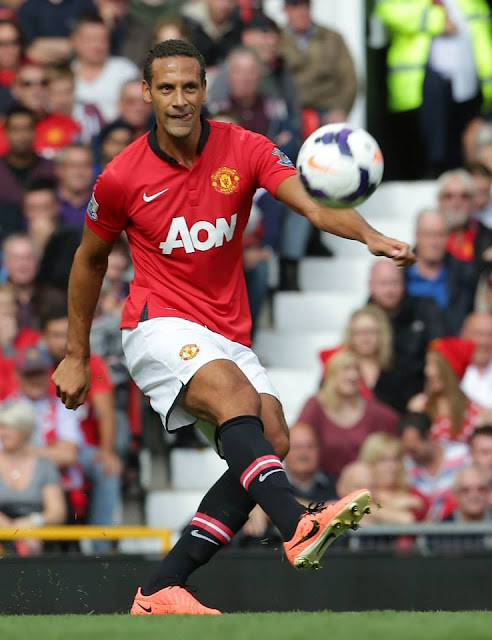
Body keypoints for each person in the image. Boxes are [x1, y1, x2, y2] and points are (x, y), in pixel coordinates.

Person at [51, 39, 414, 615]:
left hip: (225, 329)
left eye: (190, 87)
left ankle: (161, 588)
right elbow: (88, 260)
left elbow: (315, 205)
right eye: (166, 88)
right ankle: (298, 522)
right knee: (237, 398)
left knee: (271, 437)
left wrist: (370, 235)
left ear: (205, 90)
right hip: (155, 323)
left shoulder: (244, 148)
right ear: (147, 92)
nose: (179, 99)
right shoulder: (121, 177)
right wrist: (75, 353)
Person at [374, 0, 492, 177]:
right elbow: (386, 11)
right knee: (427, 156)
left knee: (461, 155)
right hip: (419, 89)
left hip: (469, 90)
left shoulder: (473, 3)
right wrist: (436, 21)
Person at [42, 306, 122, 551]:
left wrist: (107, 450)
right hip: (39, 447)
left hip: (82, 449)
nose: (60, 341)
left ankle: (100, 550)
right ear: (44, 338)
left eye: (64, 334)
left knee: (107, 469)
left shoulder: (91, 364)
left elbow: (106, 411)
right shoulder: (32, 365)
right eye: (54, 335)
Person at [295, 349, 398, 480]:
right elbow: (297, 439)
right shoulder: (315, 405)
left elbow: (394, 426)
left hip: (363, 486)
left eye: (356, 370)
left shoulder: (373, 409)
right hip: (322, 484)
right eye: (345, 369)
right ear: (332, 374)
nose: (352, 376)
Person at [368, 259, 446, 401]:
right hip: (377, 401)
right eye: (383, 283)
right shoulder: (363, 321)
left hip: (420, 398)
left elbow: (440, 354)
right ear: (370, 286)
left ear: (404, 284)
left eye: (395, 283)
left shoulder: (425, 309)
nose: (390, 290)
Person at [280, 0, 357, 135]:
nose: (301, 12)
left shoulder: (332, 38)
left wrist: (340, 110)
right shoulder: (277, 39)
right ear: (285, 9)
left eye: (305, 6)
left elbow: (349, 79)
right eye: (295, 6)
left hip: (326, 112)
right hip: (289, 114)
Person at [0, 399, 66, 555]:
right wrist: (8, 527)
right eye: (1, 427)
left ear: (24, 431)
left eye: (9, 427)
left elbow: (57, 512)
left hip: (35, 539)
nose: (3, 433)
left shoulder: (44, 466)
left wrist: (32, 523)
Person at [405, 209, 480, 335]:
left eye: (440, 235)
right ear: (416, 236)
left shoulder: (467, 274)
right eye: (428, 234)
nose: (434, 242)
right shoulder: (397, 278)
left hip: (454, 348)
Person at [408, 336, 489, 443]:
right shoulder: (419, 405)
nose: (428, 371)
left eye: (436, 366)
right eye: (428, 364)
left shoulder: (478, 416)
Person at [71, 12, 139, 123]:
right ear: (75, 40)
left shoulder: (125, 71)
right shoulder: (65, 73)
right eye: (90, 39)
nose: (96, 46)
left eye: (102, 39)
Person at [399, 411, 469, 520]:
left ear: (429, 436)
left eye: (413, 450)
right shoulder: (407, 465)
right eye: (407, 450)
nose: (410, 455)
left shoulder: (461, 455)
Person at [358, 432, 428, 524]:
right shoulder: (359, 492)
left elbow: (409, 518)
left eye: (395, 459)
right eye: (383, 460)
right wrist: (395, 504)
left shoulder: (413, 493)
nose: (392, 466)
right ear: (369, 464)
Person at [0, 106, 55, 205]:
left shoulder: (51, 170)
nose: (22, 136)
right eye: (15, 129)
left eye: (27, 128)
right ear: (6, 132)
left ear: (35, 132)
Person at [437, 169, 477, 262]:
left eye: (464, 196)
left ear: (472, 201)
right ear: (439, 201)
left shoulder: (488, 238)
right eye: (449, 196)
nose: (457, 203)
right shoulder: (428, 236)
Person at [1, 234, 39, 330]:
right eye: (16, 258)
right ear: (5, 263)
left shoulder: (53, 299)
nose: (23, 265)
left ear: (37, 262)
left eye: (28, 258)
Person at [55, 144, 94, 229]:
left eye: (85, 165)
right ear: (60, 170)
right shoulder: (48, 203)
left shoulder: (102, 204)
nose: (80, 172)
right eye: (73, 166)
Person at [461, 312, 492, 410]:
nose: (484, 342)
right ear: (464, 334)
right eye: (479, 334)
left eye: (490, 335)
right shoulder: (449, 370)